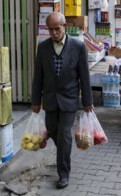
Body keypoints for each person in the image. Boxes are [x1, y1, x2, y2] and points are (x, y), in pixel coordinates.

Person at [31, 12, 94, 189]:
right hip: (50, 99)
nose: (54, 32)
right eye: (50, 29)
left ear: (64, 27)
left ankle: (63, 174)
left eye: (57, 28)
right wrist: (36, 100)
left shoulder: (78, 47)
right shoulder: (42, 48)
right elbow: (38, 76)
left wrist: (88, 101)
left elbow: (84, 77)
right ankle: (64, 153)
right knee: (53, 130)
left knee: (64, 133)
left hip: (69, 99)